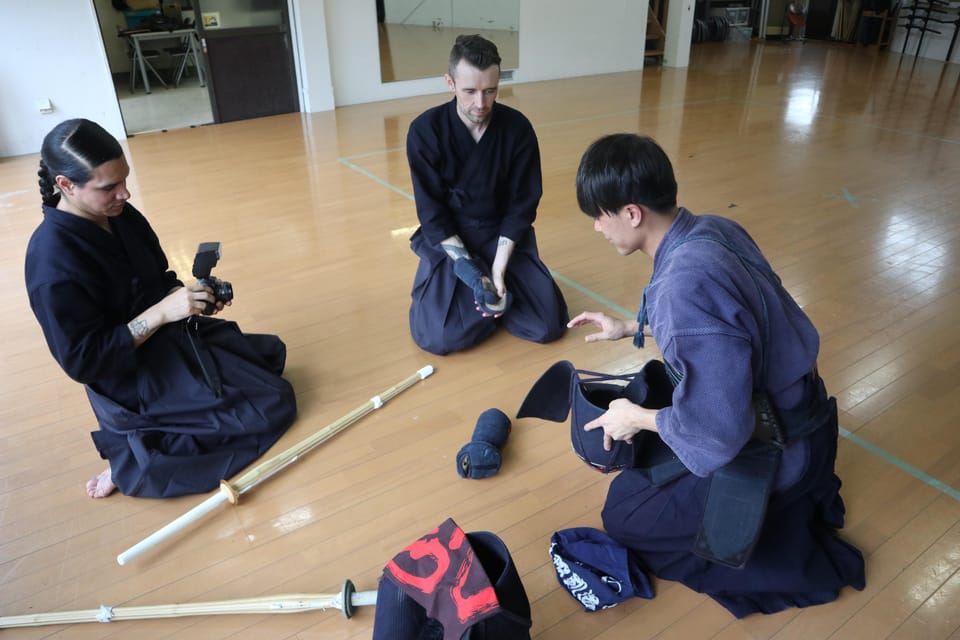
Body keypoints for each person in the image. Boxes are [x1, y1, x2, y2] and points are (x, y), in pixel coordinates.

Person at [567, 133, 865, 617]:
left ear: (632, 212)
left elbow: (718, 435)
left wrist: (637, 418)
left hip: (776, 444)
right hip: (805, 411)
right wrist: (629, 326)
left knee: (623, 514)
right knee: (650, 462)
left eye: (600, 214)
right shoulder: (712, 228)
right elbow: (732, 318)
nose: (597, 227)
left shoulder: (683, 289)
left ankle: (776, 544)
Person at [25, 119, 297, 499]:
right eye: (109, 187)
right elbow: (84, 362)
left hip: (166, 339)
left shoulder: (118, 215)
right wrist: (162, 313)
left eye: (124, 180)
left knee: (269, 365)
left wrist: (190, 299)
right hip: (129, 376)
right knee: (271, 406)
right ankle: (129, 453)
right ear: (65, 185)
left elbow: (158, 275)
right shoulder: (51, 264)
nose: (125, 194)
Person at [406, 34, 568, 355]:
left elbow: (523, 205)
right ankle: (479, 303)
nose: (480, 103)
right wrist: (470, 271)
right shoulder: (425, 131)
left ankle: (487, 306)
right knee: (437, 337)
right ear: (449, 83)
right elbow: (432, 213)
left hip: (501, 236)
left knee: (549, 325)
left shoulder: (517, 128)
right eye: (469, 91)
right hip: (454, 240)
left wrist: (497, 269)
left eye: (490, 91)